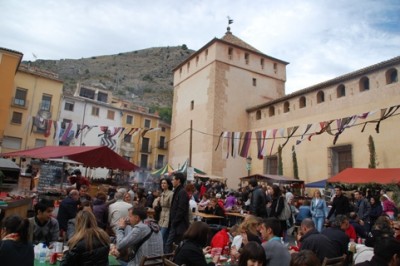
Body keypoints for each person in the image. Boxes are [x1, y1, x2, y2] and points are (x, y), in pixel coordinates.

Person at [165, 172, 189, 253]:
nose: (172, 181)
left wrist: (174, 222)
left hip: (178, 224)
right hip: (175, 223)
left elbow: (181, 210)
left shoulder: (182, 192)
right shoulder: (178, 191)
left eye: (173, 179)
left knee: (170, 244)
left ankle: (167, 261)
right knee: (172, 244)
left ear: (178, 181)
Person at [157, 177, 173, 244]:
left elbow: (172, 206)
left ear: (168, 185)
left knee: (161, 236)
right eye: (162, 183)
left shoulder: (171, 194)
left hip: (167, 216)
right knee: (163, 237)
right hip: (161, 216)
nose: (162, 184)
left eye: (164, 183)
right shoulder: (162, 194)